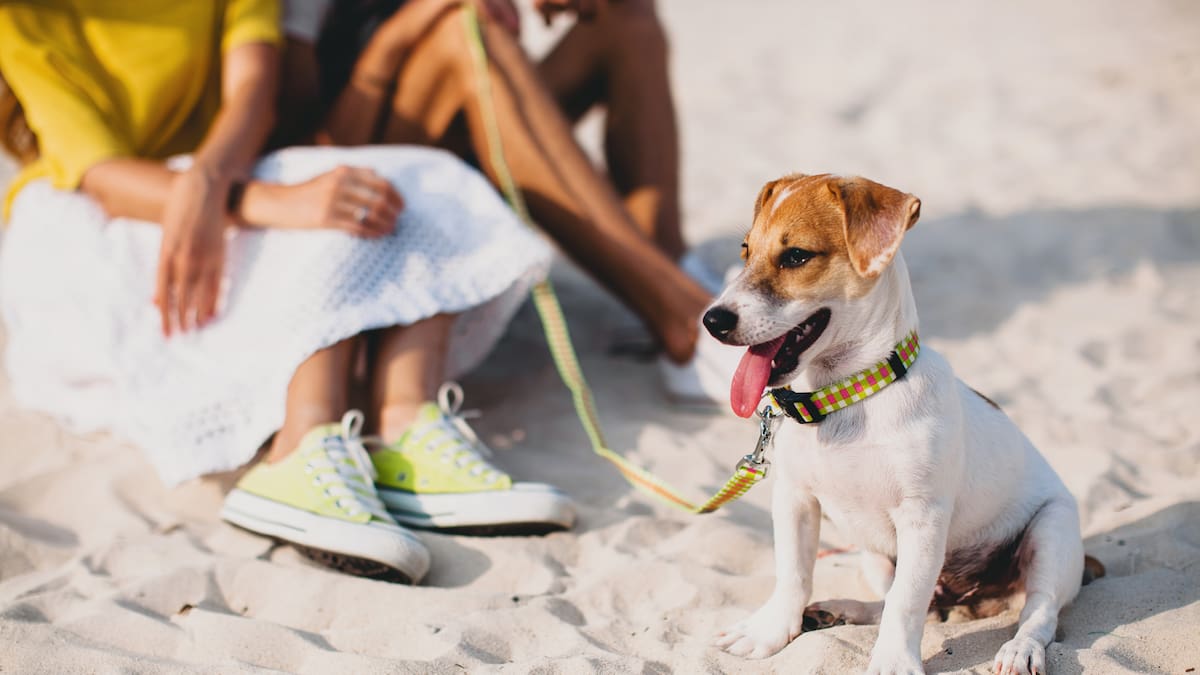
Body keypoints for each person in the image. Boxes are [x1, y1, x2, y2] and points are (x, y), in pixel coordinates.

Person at [0, 0, 574, 585]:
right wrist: (270, 201)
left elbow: (254, 90)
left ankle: (404, 428)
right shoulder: (22, 13)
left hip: (221, 174)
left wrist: (211, 178)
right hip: (93, 212)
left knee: (413, 178)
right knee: (317, 215)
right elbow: (103, 175)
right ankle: (297, 452)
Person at [277, 0, 738, 402]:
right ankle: (682, 319)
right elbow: (315, 155)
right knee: (462, 29)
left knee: (625, 16)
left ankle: (665, 270)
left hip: (470, 124)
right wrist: (403, 32)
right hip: (362, 174)